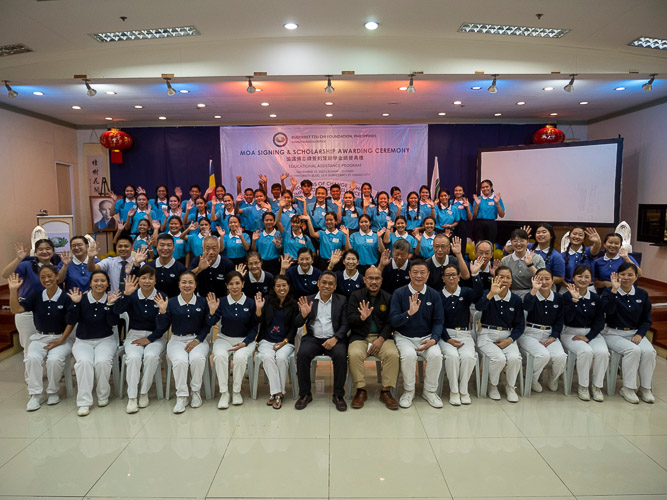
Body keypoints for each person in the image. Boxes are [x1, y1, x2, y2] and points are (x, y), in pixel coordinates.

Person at [8, 267, 74, 411]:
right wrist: (13, 290)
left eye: (49, 276)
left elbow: (71, 322)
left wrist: (61, 340)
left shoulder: (66, 297)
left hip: (61, 337)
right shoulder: (36, 296)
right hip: (40, 337)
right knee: (32, 358)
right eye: (43, 277)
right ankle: (36, 395)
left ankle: (53, 391)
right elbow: (16, 309)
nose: (46, 280)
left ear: (57, 277)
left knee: (54, 360)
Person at [153, 271, 217, 414]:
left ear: (195, 285)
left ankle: (195, 392)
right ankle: (181, 396)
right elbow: (162, 326)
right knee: (180, 361)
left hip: (198, 339)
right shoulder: (171, 302)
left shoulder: (202, 302)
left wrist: (211, 314)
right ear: (179, 285)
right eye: (184, 282)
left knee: (197, 359)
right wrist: (162, 312)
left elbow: (208, 325)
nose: (187, 285)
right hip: (177, 340)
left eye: (190, 282)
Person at [390, 258, 444, 408]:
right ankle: (409, 391)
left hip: (427, 337)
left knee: (436, 355)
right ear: (409, 274)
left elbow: (439, 321)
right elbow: (393, 321)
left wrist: (434, 339)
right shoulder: (399, 293)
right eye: (415, 272)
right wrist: (409, 313)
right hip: (404, 337)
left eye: (422, 273)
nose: (418, 276)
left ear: (427, 275)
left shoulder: (434, 295)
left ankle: (430, 391)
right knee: (408, 355)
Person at [66, 271, 121, 416]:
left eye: (103, 281)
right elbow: (71, 320)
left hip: (106, 340)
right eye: (96, 281)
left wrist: (109, 305)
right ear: (90, 283)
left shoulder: (112, 299)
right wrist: (75, 304)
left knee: (102, 362)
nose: (99, 284)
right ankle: (84, 402)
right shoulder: (82, 299)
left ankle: (103, 395)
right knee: (84, 363)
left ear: (108, 283)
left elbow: (113, 323)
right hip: (83, 341)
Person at [294, 271, 349, 411]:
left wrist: (335, 338)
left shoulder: (342, 300)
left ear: (335, 286)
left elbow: (345, 324)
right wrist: (303, 315)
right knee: (302, 354)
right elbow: (297, 323)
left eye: (331, 283)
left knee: (341, 356)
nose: (327, 286)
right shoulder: (308, 299)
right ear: (318, 284)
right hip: (313, 338)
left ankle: (338, 395)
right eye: (324, 282)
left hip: (334, 338)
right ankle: (305, 394)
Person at [113, 269, 165, 413]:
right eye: (143, 278)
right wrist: (126, 295)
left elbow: (164, 325)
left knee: (151, 357)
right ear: (139, 280)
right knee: (133, 358)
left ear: (155, 280)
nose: (147, 281)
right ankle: (132, 397)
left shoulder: (161, 296)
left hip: (156, 336)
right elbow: (117, 311)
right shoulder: (132, 295)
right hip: (134, 335)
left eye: (150, 278)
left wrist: (150, 338)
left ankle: (143, 392)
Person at [601, 264, 655, 404]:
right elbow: (608, 311)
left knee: (649, 352)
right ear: (617, 276)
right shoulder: (609, 292)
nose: (626, 278)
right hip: (612, 333)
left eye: (630, 275)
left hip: (634, 333)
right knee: (633, 350)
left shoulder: (642, 294)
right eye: (623, 274)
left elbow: (647, 320)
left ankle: (645, 388)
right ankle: (628, 388)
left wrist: (640, 334)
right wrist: (614, 290)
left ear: (636, 277)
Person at [347, 266, 400, 410]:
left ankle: (386, 391)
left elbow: (391, 322)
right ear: (364, 280)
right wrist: (361, 318)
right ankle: (361, 390)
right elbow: (350, 319)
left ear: (381, 281)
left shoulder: (388, 297)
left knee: (392, 354)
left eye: (377, 278)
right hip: (360, 337)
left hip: (382, 338)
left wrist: (381, 338)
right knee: (354, 354)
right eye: (370, 278)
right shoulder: (355, 296)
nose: (374, 281)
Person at [2, 239, 64, 361]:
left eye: (47, 248)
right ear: (35, 252)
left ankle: (49, 372)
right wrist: (18, 258)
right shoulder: (27, 265)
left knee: (49, 343)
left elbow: (61, 282)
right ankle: (31, 377)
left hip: (49, 311)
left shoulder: (56, 267)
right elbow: (5, 274)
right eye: (40, 249)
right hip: (27, 311)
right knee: (30, 346)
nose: (44, 251)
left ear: (53, 251)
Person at [475, 267, 524, 402]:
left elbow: (520, 326)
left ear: (511, 281)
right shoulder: (487, 293)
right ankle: (493, 385)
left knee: (514, 358)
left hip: (507, 336)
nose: (504, 280)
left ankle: (510, 387)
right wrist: (491, 294)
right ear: (495, 278)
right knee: (499, 358)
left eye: (508, 277)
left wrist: (510, 340)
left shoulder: (516, 300)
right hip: (486, 334)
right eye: (501, 277)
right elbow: (479, 308)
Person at [210, 271, 258, 408]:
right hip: (224, 339)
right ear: (227, 286)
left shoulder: (250, 303)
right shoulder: (222, 301)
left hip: (245, 340)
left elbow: (254, 327)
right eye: (231, 284)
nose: (234, 286)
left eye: (237, 283)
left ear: (243, 284)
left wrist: (245, 342)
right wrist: (212, 312)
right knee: (219, 356)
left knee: (240, 358)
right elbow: (211, 322)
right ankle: (224, 393)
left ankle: (236, 391)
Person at [439, 261, 484, 406]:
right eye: (448, 275)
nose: (451, 278)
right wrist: (447, 339)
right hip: (445, 335)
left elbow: (478, 295)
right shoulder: (438, 296)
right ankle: (453, 390)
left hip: (465, 334)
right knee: (452, 357)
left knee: (469, 357)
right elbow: (437, 322)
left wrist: (475, 274)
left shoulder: (465, 292)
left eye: (454, 275)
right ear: (443, 278)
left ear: (459, 276)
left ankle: (463, 389)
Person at [561, 265, 608, 402]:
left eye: (587, 277)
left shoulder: (595, 298)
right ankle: (583, 386)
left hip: (592, 333)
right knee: (585, 352)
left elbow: (599, 321)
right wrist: (574, 301)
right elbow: (567, 319)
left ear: (591, 279)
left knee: (603, 353)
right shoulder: (565, 297)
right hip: (570, 333)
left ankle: (597, 386)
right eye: (579, 276)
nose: (583, 279)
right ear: (573, 278)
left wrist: (589, 337)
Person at [518, 269, 568, 393]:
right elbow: (527, 307)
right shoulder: (530, 296)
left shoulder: (558, 298)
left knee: (561, 356)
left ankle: (553, 378)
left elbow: (560, 320)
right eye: (540, 279)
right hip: (530, 333)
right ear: (534, 280)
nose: (544, 282)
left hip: (549, 334)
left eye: (547, 279)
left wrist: (554, 336)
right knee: (543, 355)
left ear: (552, 281)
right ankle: (532, 379)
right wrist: (534, 290)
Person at [255, 275, 299, 409]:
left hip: (285, 341)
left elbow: (294, 327)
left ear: (289, 286)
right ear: (273, 288)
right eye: (278, 286)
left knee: (281, 358)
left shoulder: (293, 304)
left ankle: (275, 393)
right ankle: (278, 392)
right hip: (266, 340)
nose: (281, 288)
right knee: (267, 357)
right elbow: (259, 321)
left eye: (284, 285)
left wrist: (284, 342)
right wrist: (258, 309)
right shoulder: (266, 301)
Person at [500, 228, 545, 297]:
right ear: (511, 242)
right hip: (511, 295)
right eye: (515, 241)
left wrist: (530, 265)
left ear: (527, 242)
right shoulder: (505, 260)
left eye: (522, 241)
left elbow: (542, 279)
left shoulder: (537, 258)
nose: (518, 244)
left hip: (533, 293)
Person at [140, 233, 186, 298]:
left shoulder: (180, 268)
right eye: (162, 245)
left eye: (169, 245)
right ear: (157, 247)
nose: (165, 248)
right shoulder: (148, 266)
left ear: (173, 248)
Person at [529, 223, 566, 288]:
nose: (540, 234)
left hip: (546, 289)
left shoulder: (556, 256)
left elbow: (560, 277)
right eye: (538, 232)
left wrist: (544, 282)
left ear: (551, 236)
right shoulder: (528, 247)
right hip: (527, 287)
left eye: (544, 232)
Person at [472, 179, 505, 243]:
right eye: (483, 187)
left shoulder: (497, 199)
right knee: (479, 244)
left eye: (487, 187)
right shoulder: (478, 199)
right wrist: (477, 205)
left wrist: (497, 203)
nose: (485, 189)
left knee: (490, 245)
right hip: (479, 224)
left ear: (491, 187)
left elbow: (502, 215)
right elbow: (474, 215)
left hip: (491, 224)